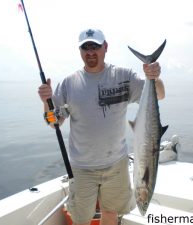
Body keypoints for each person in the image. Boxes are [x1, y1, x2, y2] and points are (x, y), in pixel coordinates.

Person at [38, 28, 165, 225]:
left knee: (111, 213)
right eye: (85, 48)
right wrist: (46, 101)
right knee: (81, 219)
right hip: (82, 167)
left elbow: (160, 95)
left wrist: (154, 77)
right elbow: (54, 121)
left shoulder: (124, 76)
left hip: (117, 164)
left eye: (95, 46)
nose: (90, 52)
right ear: (80, 51)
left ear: (105, 47)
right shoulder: (68, 84)